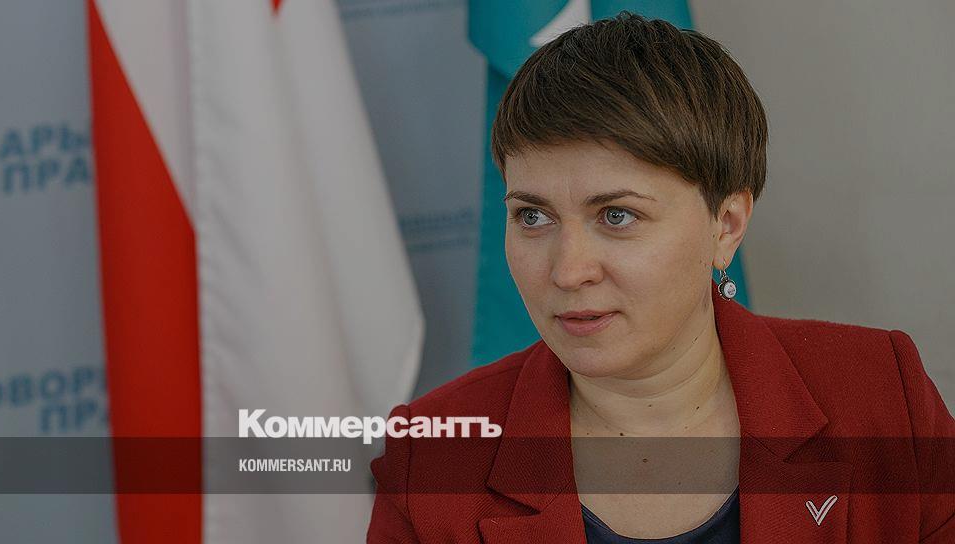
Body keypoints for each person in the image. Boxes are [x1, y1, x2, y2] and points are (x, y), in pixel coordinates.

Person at [367, 11, 954, 543]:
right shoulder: (432, 455)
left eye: (617, 216)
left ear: (726, 225)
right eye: (533, 216)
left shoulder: (882, 396)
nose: (568, 271)